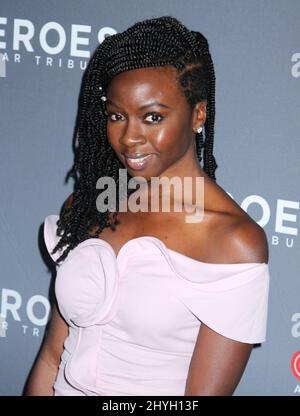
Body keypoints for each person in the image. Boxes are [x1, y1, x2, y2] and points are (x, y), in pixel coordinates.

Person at [25, 15, 270, 396]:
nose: (129, 138)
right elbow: (50, 358)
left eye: (152, 117)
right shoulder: (88, 208)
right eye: (116, 116)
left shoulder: (232, 242)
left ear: (198, 114)